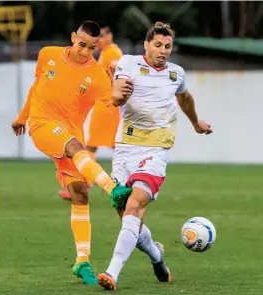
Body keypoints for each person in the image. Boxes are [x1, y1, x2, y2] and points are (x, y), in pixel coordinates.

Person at [11, 21, 132, 285]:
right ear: (72, 37)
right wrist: (22, 118)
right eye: (81, 45)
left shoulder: (98, 75)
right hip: (42, 125)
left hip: (70, 133)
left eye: (91, 48)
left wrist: (121, 92)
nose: (85, 52)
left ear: (96, 46)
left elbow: (113, 99)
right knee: (78, 148)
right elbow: (36, 87)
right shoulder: (48, 55)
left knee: (79, 192)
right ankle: (112, 189)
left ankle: (82, 261)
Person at [97, 21, 213, 291]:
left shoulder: (176, 73)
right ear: (147, 45)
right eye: (158, 45)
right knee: (126, 213)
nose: (163, 51)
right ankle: (156, 255)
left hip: (156, 151)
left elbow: (185, 99)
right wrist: (117, 96)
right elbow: (117, 93)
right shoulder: (128, 62)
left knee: (134, 206)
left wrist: (196, 123)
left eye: (168, 46)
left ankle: (112, 273)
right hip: (125, 149)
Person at [59, 25, 123, 200]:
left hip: (108, 108)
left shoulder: (112, 53)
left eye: (103, 36)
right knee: (110, 146)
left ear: (110, 36)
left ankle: (85, 186)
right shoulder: (106, 53)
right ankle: (115, 183)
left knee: (99, 147)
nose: (99, 40)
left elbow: (118, 74)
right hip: (105, 107)